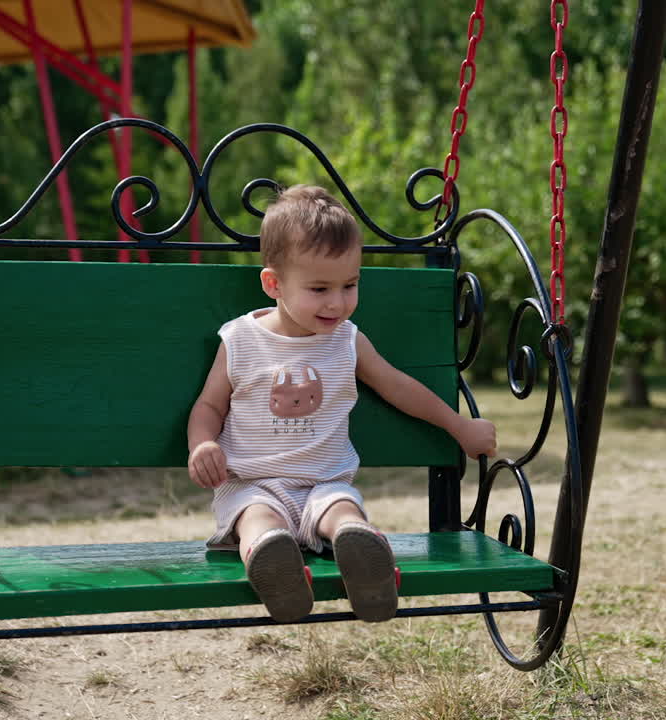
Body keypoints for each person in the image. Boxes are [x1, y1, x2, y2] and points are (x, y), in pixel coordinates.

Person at [186, 185, 497, 624]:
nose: (338, 302)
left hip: (323, 482)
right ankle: (272, 564)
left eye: (350, 285)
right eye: (319, 288)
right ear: (273, 283)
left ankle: (362, 553)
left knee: (342, 512)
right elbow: (209, 407)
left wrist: (459, 427)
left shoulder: (346, 340)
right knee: (258, 519)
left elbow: (397, 386)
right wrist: (201, 445)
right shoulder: (240, 340)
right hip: (251, 482)